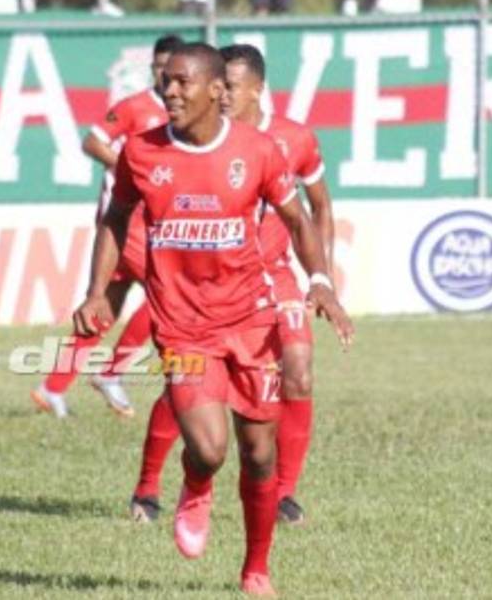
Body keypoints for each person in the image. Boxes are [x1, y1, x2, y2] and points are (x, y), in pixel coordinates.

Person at [74, 42, 353, 596]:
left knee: (259, 453)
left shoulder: (258, 150)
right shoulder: (141, 152)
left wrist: (321, 280)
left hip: (252, 318)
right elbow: (116, 217)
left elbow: (298, 219)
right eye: (166, 81)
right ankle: (195, 483)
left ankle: (256, 569)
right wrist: (96, 292)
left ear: (215, 90)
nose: (169, 90)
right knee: (209, 448)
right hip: (183, 326)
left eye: (183, 82)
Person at [127, 43, 334, 526]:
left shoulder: (290, 140)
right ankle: (150, 484)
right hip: (208, 286)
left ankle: (282, 493)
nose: (222, 99)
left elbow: (316, 209)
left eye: (232, 89)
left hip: (272, 277)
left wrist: (322, 276)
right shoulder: (189, 143)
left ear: (255, 90)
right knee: (194, 385)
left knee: (299, 371)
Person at [30, 34, 184, 419]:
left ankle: (52, 388)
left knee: (104, 309)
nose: (165, 76)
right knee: (168, 292)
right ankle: (112, 371)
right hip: (125, 223)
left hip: (155, 223)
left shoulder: (184, 113)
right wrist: (130, 169)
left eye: (172, 69)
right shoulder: (135, 107)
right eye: (159, 67)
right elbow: (92, 142)